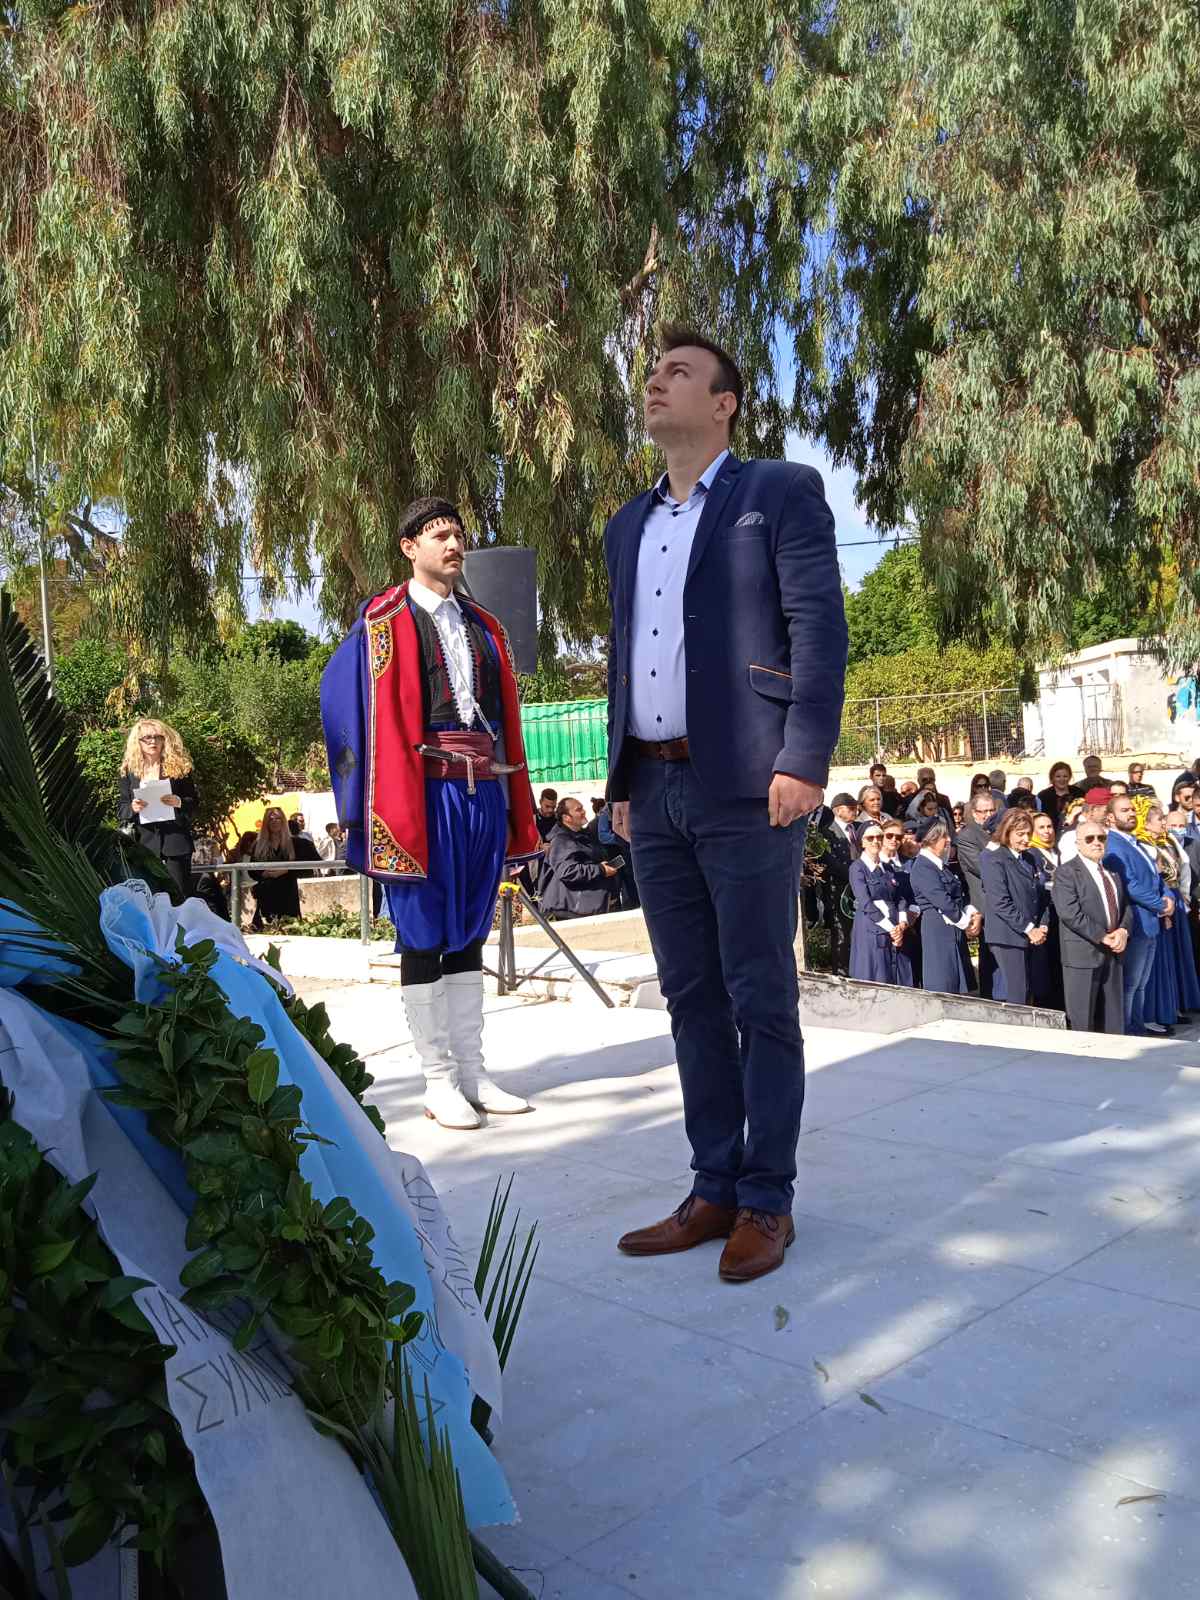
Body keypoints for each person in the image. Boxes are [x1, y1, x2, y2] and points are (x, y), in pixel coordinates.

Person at [604, 321, 847, 1283]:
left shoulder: (777, 492)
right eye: (652, 372)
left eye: (678, 372)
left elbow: (817, 628)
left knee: (761, 996)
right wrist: (621, 781)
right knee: (689, 997)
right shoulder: (627, 525)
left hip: (751, 785)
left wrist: (805, 758)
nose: (656, 383)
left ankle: (766, 1199)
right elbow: (629, 658)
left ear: (724, 403)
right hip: (652, 787)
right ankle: (711, 1186)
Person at [320, 494, 541, 1129]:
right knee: (422, 931)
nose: (453, 544)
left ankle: (472, 1071)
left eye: (458, 534)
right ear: (408, 547)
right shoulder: (381, 621)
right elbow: (339, 703)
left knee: (470, 928)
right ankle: (438, 1078)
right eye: (439, 535)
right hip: (421, 795)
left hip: (482, 791)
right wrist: (362, 802)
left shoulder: (486, 624)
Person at [1052, 816, 1131, 1032]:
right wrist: (1102, 936)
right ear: (1078, 843)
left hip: (1113, 953)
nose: (1096, 842)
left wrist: (1123, 930)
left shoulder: (1112, 872)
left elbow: (1125, 906)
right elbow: (1069, 913)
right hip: (1083, 954)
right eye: (1090, 838)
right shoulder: (1067, 872)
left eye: (1101, 838)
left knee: (1113, 1018)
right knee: (1082, 1019)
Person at [1103, 793, 1171, 1035]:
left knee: (1141, 982)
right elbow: (1130, 885)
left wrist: (1169, 898)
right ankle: (1127, 1029)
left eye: (1132, 809)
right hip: (1136, 921)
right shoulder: (1113, 846)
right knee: (1131, 983)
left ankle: (1138, 1025)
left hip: (1150, 921)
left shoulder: (1136, 843)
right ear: (1110, 818)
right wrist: (1160, 904)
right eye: (1124, 810)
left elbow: (1155, 877)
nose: (1131, 813)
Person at [117, 718, 199, 896]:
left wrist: (179, 802)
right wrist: (133, 808)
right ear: (138, 742)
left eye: (158, 737)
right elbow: (122, 808)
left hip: (175, 842)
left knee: (179, 896)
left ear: (164, 740)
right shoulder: (128, 771)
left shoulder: (179, 769)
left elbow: (194, 803)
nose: (153, 742)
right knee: (148, 897)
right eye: (147, 738)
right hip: (144, 844)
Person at [1139, 800, 1200, 1034]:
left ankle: (1173, 1007)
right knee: (1159, 961)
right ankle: (1155, 1013)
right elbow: (1152, 880)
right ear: (1146, 823)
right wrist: (1162, 908)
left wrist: (1183, 898)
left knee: (1175, 958)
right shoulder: (1144, 845)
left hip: (1175, 900)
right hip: (1161, 904)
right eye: (1160, 820)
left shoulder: (1166, 842)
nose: (1164, 824)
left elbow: (1183, 869)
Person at [980, 808, 1048, 1006]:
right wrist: (1029, 929)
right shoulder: (993, 858)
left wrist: (1043, 925)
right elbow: (1000, 901)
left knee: (1033, 989)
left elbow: (1040, 894)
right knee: (1017, 992)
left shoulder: (1029, 857)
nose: (1026, 839)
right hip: (1008, 935)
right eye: (1020, 834)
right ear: (1006, 832)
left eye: (1028, 833)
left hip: (1032, 933)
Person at [909, 820, 979, 993]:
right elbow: (941, 899)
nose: (948, 840)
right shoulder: (923, 867)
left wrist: (970, 911)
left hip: (952, 928)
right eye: (944, 836)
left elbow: (958, 895)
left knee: (956, 983)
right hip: (938, 930)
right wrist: (965, 923)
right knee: (943, 981)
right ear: (931, 839)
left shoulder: (940, 866)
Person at [848, 820, 915, 986]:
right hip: (871, 931)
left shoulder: (888, 868)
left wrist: (902, 923)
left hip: (894, 931)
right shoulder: (857, 868)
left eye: (879, 837)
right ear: (862, 842)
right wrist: (892, 929)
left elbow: (899, 898)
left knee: (897, 979)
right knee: (875, 980)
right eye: (870, 838)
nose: (875, 841)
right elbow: (865, 902)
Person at [540, 797, 621, 919]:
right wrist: (600, 869)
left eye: (582, 808)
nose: (583, 811)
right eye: (578, 810)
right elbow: (568, 871)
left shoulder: (583, 834)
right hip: (572, 910)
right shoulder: (561, 841)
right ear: (566, 817)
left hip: (589, 906)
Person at [955, 790, 999, 997]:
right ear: (974, 813)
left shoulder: (1000, 831)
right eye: (984, 811)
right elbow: (983, 868)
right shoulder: (967, 836)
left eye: (992, 811)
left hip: (1003, 902)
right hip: (985, 902)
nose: (989, 815)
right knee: (990, 958)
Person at [249, 806, 321, 927]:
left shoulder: (297, 843)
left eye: (278, 818)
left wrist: (287, 870)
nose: (274, 822)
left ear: (283, 821)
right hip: (267, 895)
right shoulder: (259, 845)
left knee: (290, 928)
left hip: (288, 893)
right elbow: (252, 870)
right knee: (266, 929)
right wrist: (263, 873)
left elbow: (311, 867)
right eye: (270, 819)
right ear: (266, 823)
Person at [819, 794, 859, 974]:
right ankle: (842, 973)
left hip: (859, 889)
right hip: (839, 889)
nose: (855, 811)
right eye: (851, 808)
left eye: (856, 807)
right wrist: (856, 876)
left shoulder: (858, 828)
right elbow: (831, 863)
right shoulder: (827, 832)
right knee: (841, 934)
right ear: (837, 810)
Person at [1027, 811, 1063, 1008]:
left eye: (1049, 826)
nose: (1047, 831)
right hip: (1045, 916)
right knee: (1046, 967)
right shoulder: (1032, 854)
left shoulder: (1058, 852)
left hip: (1063, 915)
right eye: (1041, 827)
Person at [1037, 762, 1083, 835]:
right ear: (1052, 777)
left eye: (1065, 776)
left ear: (1070, 777)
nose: (1062, 779)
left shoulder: (1078, 793)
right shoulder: (1043, 796)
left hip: (1076, 832)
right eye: (1058, 776)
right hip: (1050, 834)